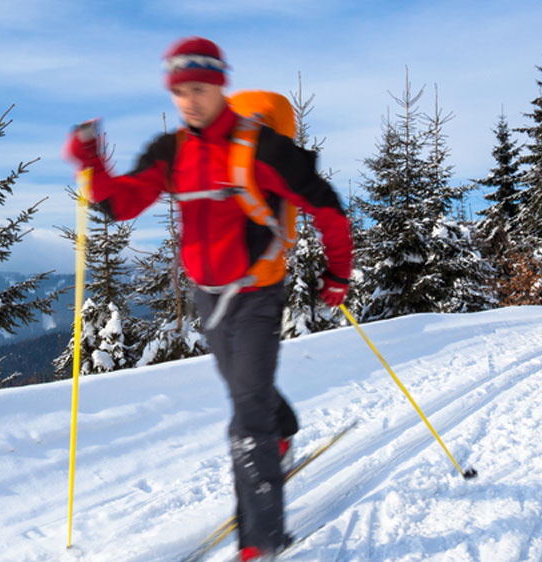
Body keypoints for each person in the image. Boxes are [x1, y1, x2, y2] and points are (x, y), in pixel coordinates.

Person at [63, 36, 353, 560]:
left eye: (200, 89)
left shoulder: (262, 149)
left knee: (245, 417)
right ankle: (281, 431)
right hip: (208, 296)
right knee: (248, 393)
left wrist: (338, 273)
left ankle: (261, 543)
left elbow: (328, 207)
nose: (190, 101)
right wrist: (91, 166)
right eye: (180, 92)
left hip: (259, 293)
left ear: (220, 86)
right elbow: (124, 204)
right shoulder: (172, 152)